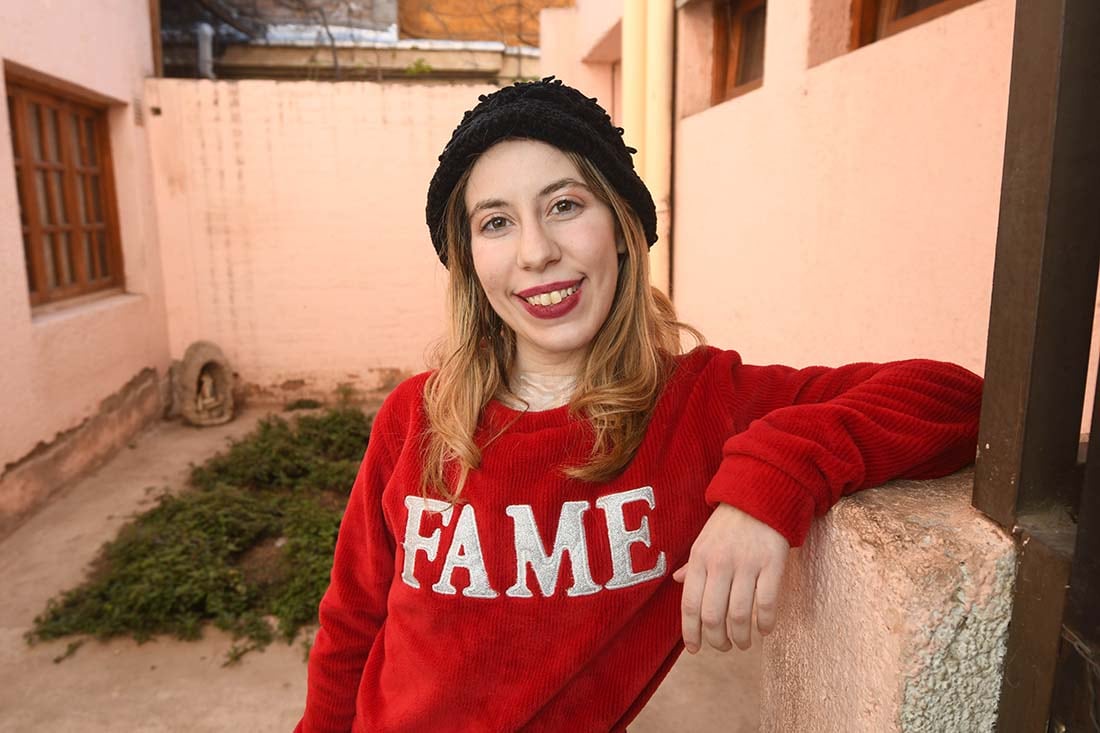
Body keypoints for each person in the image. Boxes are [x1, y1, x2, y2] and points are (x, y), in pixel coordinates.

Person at [294, 77, 982, 733]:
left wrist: (774, 478)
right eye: (496, 222)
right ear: (469, 257)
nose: (536, 252)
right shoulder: (416, 416)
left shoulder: (698, 403)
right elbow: (353, 623)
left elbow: (955, 396)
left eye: (565, 205)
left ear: (622, 227)